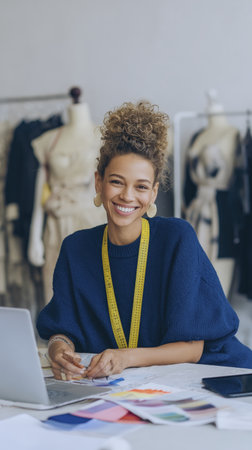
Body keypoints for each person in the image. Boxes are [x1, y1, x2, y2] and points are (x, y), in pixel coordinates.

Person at [37, 101, 252, 381]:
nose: (127, 196)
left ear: (153, 193)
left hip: (216, 374)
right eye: (116, 181)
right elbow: (62, 329)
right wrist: (59, 351)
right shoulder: (75, 248)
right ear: (98, 183)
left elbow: (194, 347)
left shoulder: (177, 239)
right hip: (132, 384)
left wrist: (125, 358)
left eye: (140, 186)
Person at [28, 101, 106, 304]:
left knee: (94, 289)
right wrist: (34, 237)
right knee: (56, 290)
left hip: (92, 220)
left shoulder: (104, 136)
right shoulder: (49, 140)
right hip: (56, 223)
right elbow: (41, 190)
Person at [183, 90, 240, 297]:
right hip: (196, 211)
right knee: (191, 271)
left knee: (219, 277)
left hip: (222, 212)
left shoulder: (234, 135)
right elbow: (187, 185)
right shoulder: (197, 137)